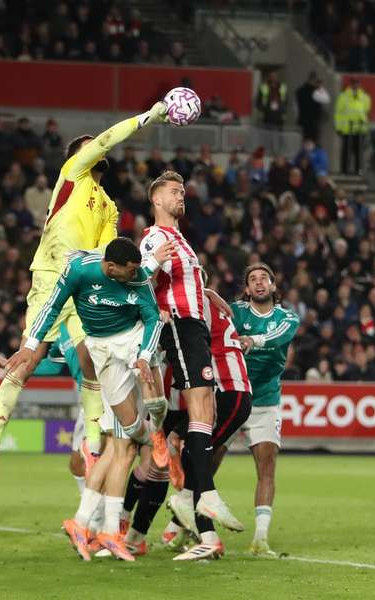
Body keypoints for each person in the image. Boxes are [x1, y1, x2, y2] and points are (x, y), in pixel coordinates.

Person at [0, 100, 170, 485]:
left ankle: (92, 444)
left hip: (81, 283)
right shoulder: (72, 174)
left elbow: (106, 255)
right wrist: (150, 116)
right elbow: (107, 139)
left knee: (90, 360)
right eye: (89, 145)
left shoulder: (109, 207)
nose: (95, 147)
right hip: (51, 274)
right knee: (31, 357)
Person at [19, 238, 164, 561]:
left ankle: (93, 525)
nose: (136, 274)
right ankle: (100, 525)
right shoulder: (79, 271)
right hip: (102, 354)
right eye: (129, 270)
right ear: (110, 267)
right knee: (122, 447)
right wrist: (30, 344)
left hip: (132, 340)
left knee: (121, 448)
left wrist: (144, 355)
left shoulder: (137, 275)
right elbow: (51, 306)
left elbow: (153, 318)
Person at [141, 170, 244, 534]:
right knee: (200, 405)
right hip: (180, 326)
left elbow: (183, 280)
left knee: (205, 410)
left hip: (194, 326)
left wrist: (208, 292)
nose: (181, 196)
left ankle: (199, 496)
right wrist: (156, 307)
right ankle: (202, 495)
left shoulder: (180, 239)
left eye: (183, 191)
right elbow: (139, 282)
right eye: (174, 191)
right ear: (156, 199)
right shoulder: (155, 238)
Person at [157, 271, 253, 561]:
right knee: (194, 452)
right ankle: (196, 528)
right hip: (229, 390)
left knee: (198, 454)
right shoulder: (206, 302)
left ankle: (193, 522)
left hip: (228, 390)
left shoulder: (199, 304)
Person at [225, 262, 299, 556]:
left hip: (266, 402)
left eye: (264, 278)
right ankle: (181, 526)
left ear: (273, 285)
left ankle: (260, 538)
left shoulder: (287, 318)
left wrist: (252, 340)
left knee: (266, 468)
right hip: (233, 397)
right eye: (253, 279)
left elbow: (278, 335)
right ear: (246, 288)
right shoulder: (235, 312)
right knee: (208, 462)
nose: (258, 282)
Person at [334, 78, 371, 174]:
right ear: (350, 84)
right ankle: (344, 170)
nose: (355, 85)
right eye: (354, 83)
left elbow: (366, 112)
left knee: (359, 151)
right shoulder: (343, 96)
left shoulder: (365, 97)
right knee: (346, 151)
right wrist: (338, 127)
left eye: (357, 83)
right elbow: (338, 113)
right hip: (347, 128)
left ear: (360, 84)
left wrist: (365, 127)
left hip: (360, 128)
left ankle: (358, 170)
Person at [295, 71, 330, 143]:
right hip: (314, 123)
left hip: (303, 122)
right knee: (314, 143)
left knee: (304, 143)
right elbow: (326, 99)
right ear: (314, 80)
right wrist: (320, 87)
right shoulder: (316, 92)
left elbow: (295, 107)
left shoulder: (299, 91)